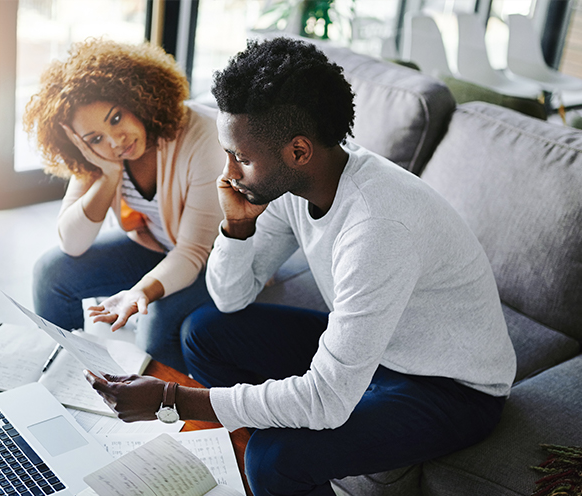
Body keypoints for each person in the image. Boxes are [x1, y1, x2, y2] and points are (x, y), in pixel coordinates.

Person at [85, 37, 517, 495]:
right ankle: (277, 429)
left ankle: (280, 449)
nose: (227, 172)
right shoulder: (296, 186)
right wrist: (236, 228)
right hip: (380, 352)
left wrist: (171, 399)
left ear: (297, 151)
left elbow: (329, 399)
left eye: (241, 158)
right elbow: (231, 298)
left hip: (449, 388)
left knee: (274, 461)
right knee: (205, 332)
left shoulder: (377, 225)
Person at [23, 38, 225, 373]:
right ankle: (66, 382)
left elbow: (192, 253)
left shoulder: (202, 138)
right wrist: (108, 175)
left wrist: (139, 292)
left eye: (116, 118)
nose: (115, 141)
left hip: (218, 263)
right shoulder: (102, 157)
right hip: (160, 247)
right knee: (51, 274)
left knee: (154, 327)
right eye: (95, 138)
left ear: (138, 96)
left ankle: (168, 420)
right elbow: (72, 243)